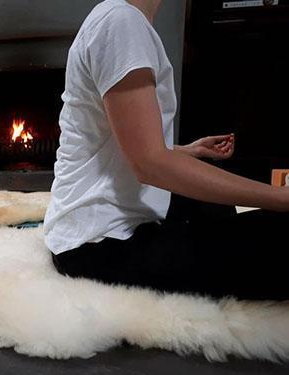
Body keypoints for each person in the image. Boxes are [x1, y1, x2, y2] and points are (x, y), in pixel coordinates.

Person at [45, 0, 289, 300]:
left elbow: (118, 140)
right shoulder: (120, 23)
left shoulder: (120, 20)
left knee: (221, 210)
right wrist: (280, 197)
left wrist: (184, 151)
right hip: (100, 245)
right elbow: (149, 164)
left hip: (93, 232)